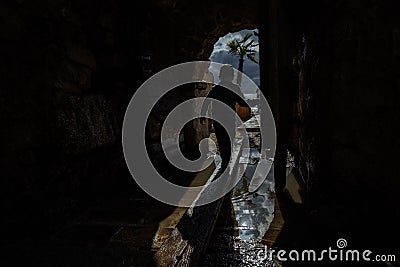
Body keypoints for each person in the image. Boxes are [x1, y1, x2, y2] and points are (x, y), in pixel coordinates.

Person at [200, 64, 250, 177]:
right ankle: (228, 163)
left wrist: (202, 116)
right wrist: (248, 106)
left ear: (220, 76)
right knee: (230, 139)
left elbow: (206, 102)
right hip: (229, 119)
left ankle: (224, 162)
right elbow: (242, 102)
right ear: (232, 76)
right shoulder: (234, 88)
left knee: (221, 141)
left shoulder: (215, 89)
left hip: (218, 120)